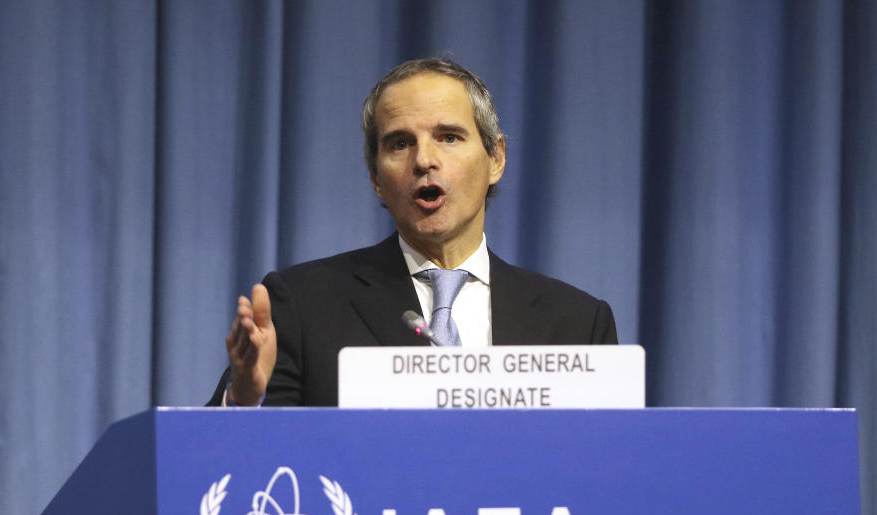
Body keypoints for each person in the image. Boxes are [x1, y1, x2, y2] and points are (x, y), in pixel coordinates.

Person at [212, 58, 617, 407]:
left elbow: (612, 472)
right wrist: (245, 400)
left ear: (496, 158)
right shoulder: (302, 304)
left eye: (449, 137)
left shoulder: (577, 324)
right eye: (400, 144)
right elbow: (221, 470)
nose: (424, 159)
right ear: (375, 176)